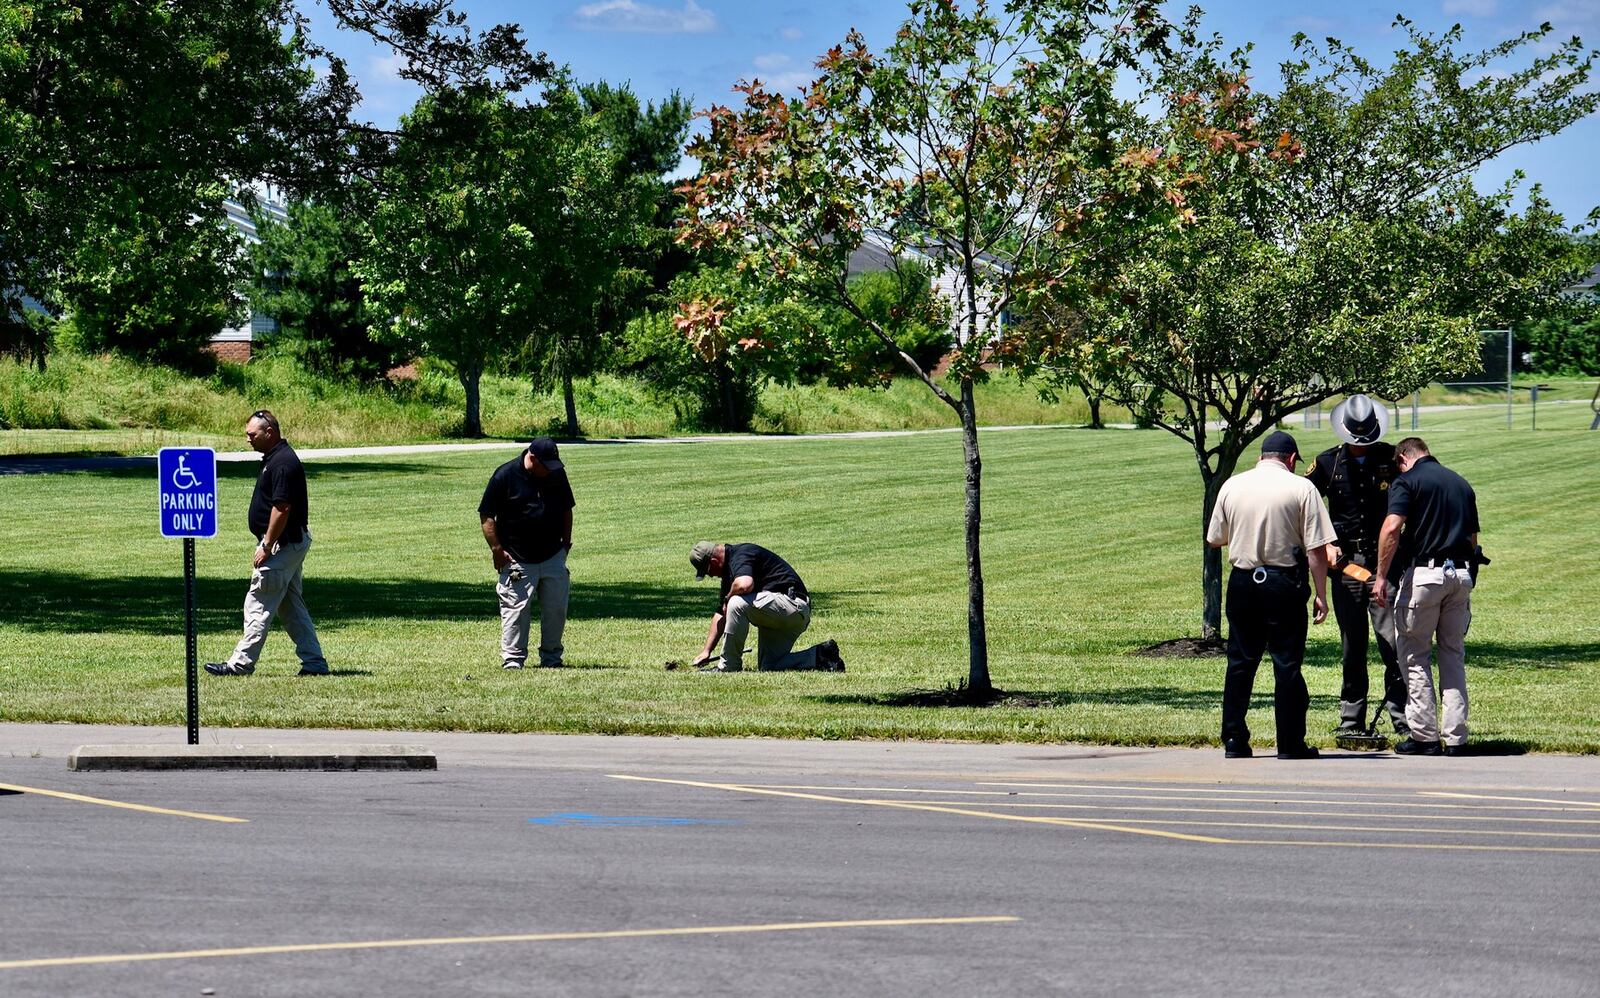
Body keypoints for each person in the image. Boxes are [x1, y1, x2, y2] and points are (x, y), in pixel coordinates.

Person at [1206, 430, 1335, 759]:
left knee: (1240, 663)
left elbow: (1215, 538)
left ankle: (1234, 739)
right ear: (1291, 460)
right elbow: (1317, 550)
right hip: (1283, 582)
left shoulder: (1232, 485)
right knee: (1287, 664)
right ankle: (1290, 743)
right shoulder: (1302, 487)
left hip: (1243, 580)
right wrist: (1321, 594)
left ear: (1261, 457)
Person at [1305, 395, 1409, 738]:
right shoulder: (1326, 464)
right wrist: (1324, 543)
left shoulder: (1392, 459)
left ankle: (1402, 715)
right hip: (1346, 567)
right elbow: (1305, 509)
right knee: (1352, 644)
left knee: (1391, 641)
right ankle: (1352, 719)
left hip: (1386, 565)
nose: (1362, 445)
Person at [1373, 437, 1480, 756]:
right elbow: (1473, 539)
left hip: (1426, 574)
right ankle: (1456, 737)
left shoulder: (1406, 481)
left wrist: (1380, 576)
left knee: (1414, 654)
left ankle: (1424, 736)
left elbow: (1392, 528)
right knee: (1452, 653)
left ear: (1403, 457)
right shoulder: (1461, 483)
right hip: (1460, 575)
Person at [205, 409, 329, 677]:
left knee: (258, 602)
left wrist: (267, 544)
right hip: (290, 543)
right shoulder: (274, 458)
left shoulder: (282, 463)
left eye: (252, 434)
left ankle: (240, 664)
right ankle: (315, 664)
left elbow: (282, 508)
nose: (248, 439)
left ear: (269, 432)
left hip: (281, 545)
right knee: (291, 606)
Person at [479, 438, 575, 669]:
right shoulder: (505, 475)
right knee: (516, 610)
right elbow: (487, 515)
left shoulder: (555, 474)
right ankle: (513, 660)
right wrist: (496, 550)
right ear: (532, 458)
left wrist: (566, 544)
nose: (550, 470)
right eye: (546, 465)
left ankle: (552, 659)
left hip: (552, 554)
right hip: (517, 557)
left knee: (556, 609)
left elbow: (566, 508)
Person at [688, 541, 845, 672]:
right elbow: (721, 615)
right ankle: (821, 655)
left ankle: (728, 667)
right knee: (769, 666)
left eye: (708, 572)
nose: (712, 576)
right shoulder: (729, 576)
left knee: (736, 603)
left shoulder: (741, 555)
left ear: (714, 562)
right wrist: (706, 651)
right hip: (782, 614)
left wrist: (729, 598)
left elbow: (744, 585)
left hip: (792, 605)